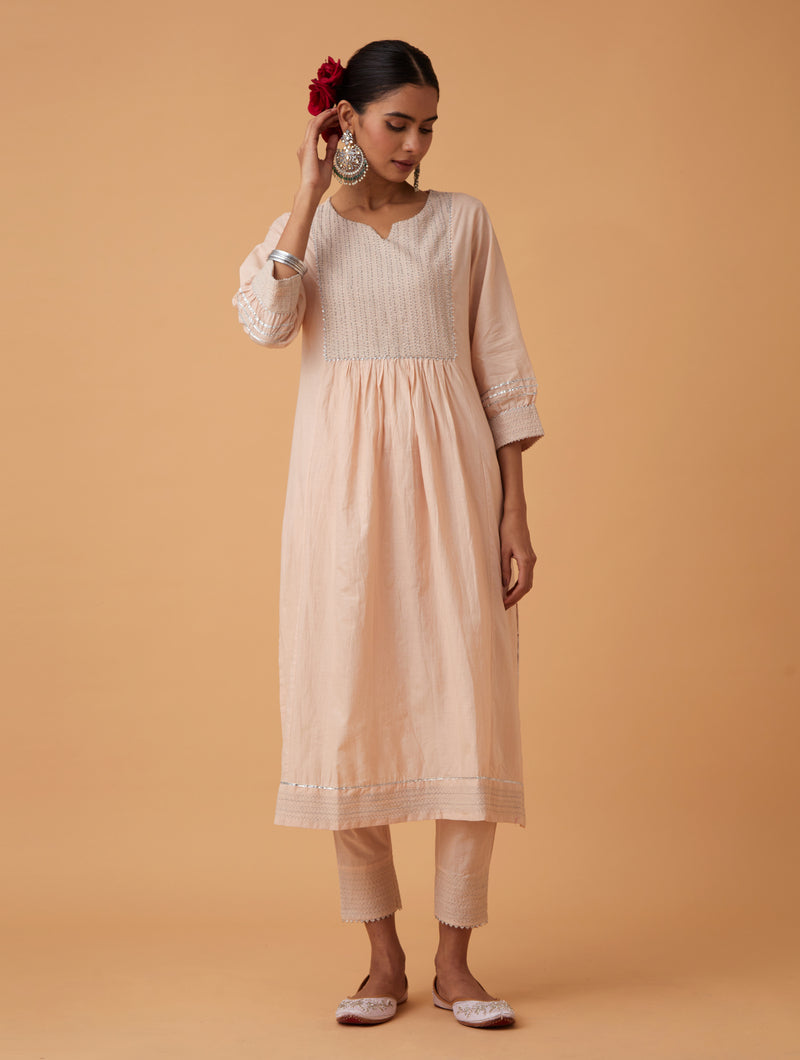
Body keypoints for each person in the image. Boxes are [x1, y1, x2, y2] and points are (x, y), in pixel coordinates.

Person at [232, 39, 544, 1029]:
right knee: (347, 709)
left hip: (453, 489)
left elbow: (500, 368)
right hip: (340, 503)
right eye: (396, 124)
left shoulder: (463, 223)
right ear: (347, 122)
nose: (413, 145)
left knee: (467, 705)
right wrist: (305, 192)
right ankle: (381, 957)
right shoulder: (305, 233)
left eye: (426, 127)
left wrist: (514, 510)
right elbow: (265, 322)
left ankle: (456, 962)